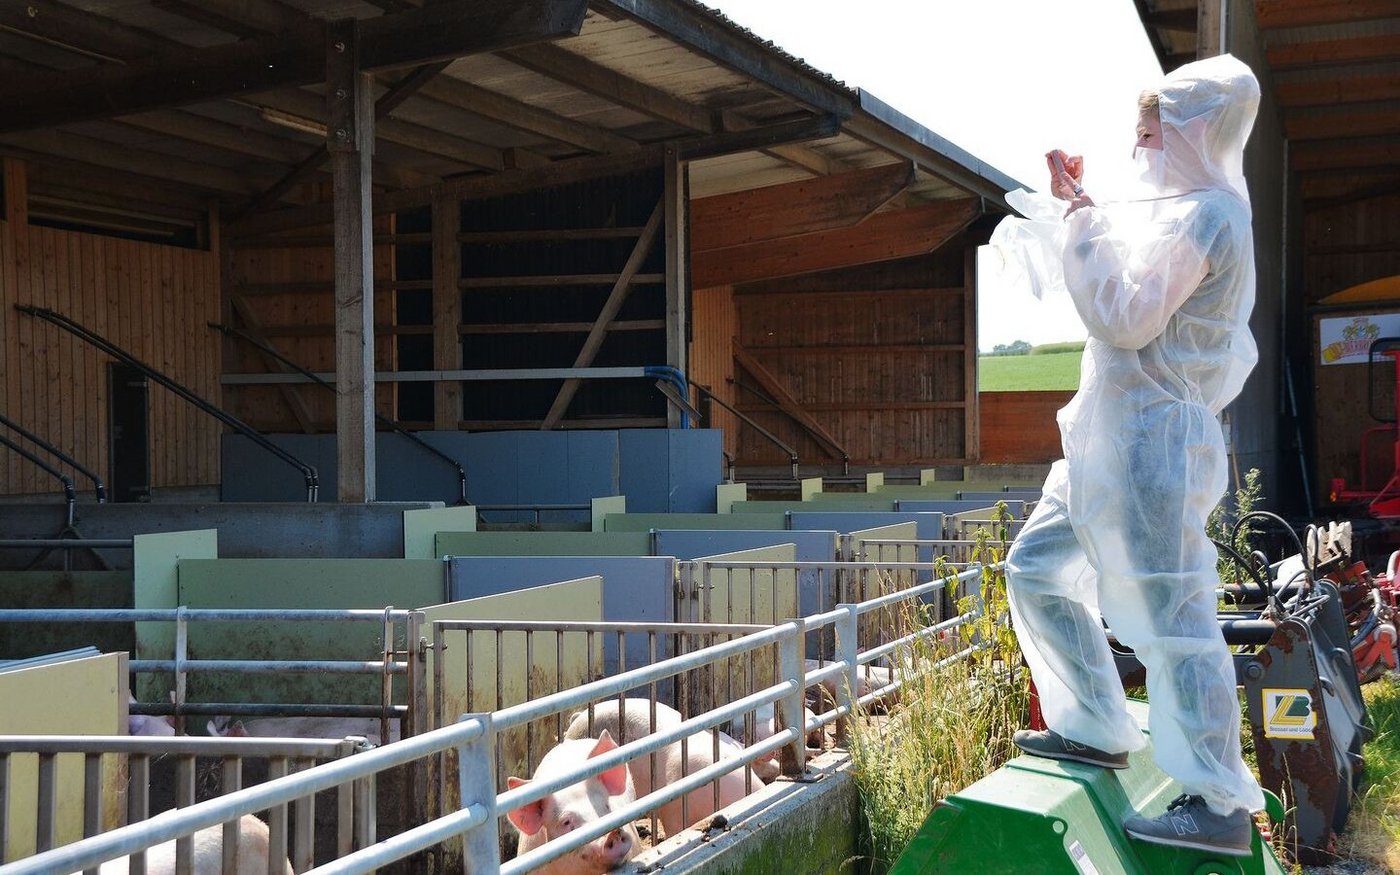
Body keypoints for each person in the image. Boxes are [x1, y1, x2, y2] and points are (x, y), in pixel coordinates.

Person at [988, 53, 1266, 857]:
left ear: (1196, 130)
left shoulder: (1211, 216)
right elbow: (1131, 268)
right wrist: (1081, 202)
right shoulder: (1178, 212)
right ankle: (1096, 727)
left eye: (1152, 132)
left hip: (1150, 451)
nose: (1141, 147)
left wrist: (1080, 222)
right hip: (1105, 440)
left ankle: (1219, 803)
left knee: (1175, 620)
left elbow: (1129, 313)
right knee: (1036, 568)